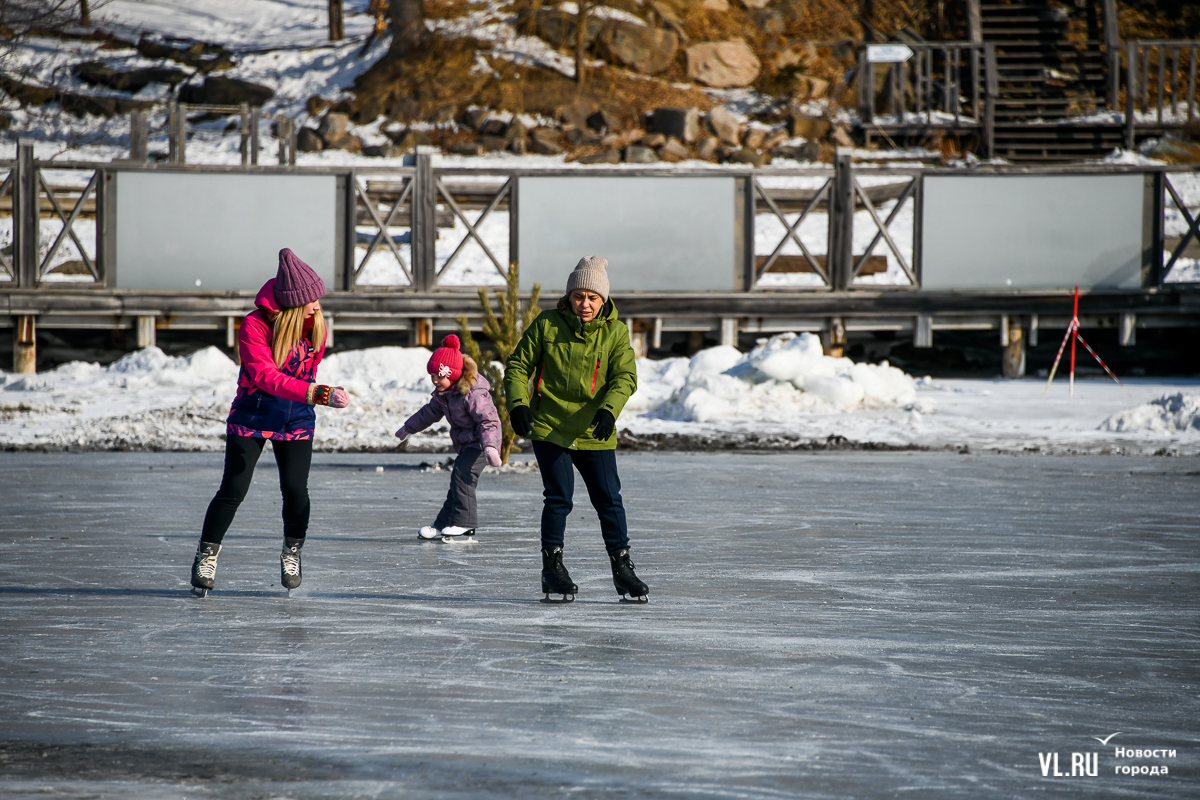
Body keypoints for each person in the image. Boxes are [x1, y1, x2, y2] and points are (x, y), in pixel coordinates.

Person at [189, 248, 350, 597]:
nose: (318, 306)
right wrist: (318, 394)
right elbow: (264, 376)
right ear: (293, 304)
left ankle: (292, 551)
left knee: (295, 490)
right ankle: (207, 555)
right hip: (253, 415)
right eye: (311, 301)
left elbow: (308, 370)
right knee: (233, 489)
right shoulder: (254, 325)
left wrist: (314, 395)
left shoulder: (315, 327)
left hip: (296, 419)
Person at [504, 255, 649, 602]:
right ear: (569, 296)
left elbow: (625, 377)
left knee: (609, 501)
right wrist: (519, 404)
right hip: (551, 426)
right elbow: (518, 365)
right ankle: (552, 569)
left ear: (603, 300)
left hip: (593, 430)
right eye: (579, 296)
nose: (585, 304)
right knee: (558, 498)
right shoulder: (547, 324)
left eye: (593, 298)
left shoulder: (616, 332)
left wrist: (609, 411)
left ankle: (622, 569)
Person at [395, 334, 502, 541]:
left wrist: (490, 447)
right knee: (457, 483)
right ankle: (442, 524)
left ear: (452, 375)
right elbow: (429, 413)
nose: (435, 381)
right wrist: (409, 427)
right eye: (432, 377)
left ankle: (464, 523)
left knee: (462, 476)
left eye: (439, 376)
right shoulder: (445, 394)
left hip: (481, 443)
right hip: (467, 443)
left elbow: (489, 421)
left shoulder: (473, 394)